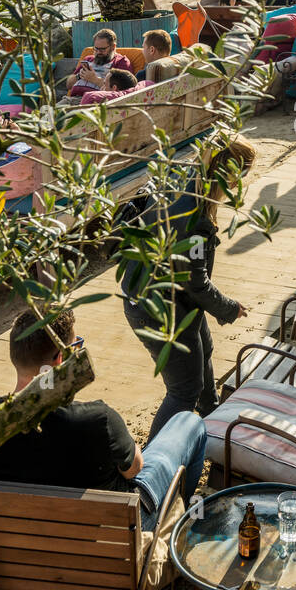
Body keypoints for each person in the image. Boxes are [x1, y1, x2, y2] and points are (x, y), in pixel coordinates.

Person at [0, 309, 208, 545]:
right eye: (76, 346)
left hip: (19, 548)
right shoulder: (97, 419)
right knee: (190, 423)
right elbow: (134, 470)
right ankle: (176, 528)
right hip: (111, 543)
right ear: (62, 358)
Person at [121, 166, 249, 440]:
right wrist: (229, 308)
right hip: (159, 310)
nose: (238, 185)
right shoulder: (197, 223)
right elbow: (197, 283)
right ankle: (151, 468)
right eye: (239, 176)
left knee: (204, 353)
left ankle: (212, 417)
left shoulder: (176, 181)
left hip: (166, 296)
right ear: (228, 175)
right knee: (183, 390)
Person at [67, 29, 133, 99]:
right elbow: (68, 85)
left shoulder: (121, 62)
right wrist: (79, 76)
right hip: (71, 98)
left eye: (102, 49)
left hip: (95, 101)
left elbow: (122, 92)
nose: (98, 52)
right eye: (96, 48)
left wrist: (94, 79)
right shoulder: (88, 59)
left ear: (113, 47)